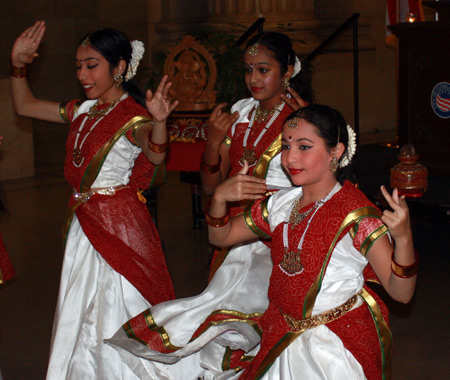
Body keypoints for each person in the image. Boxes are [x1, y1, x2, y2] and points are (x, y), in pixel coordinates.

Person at [107, 104, 416, 380]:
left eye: (304, 146)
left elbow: (401, 293)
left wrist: (403, 238)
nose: (290, 158)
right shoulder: (281, 203)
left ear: (336, 151)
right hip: (280, 339)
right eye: (286, 145)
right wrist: (220, 198)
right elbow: (221, 236)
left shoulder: (357, 214)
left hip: (333, 349)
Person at [10, 21, 176, 379]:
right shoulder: (83, 111)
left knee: (116, 303)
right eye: (78, 65)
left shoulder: (134, 117)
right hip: (83, 226)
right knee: (80, 308)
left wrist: (160, 121)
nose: (82, 74)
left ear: (119, 68)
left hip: (119, 226)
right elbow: (24, 106)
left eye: (92, 65)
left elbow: (155, 151)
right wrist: (18, 66)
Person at [202, 31, 313, 279]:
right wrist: (212, 143)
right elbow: (210, 188)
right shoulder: (240, 112)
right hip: (234, 228)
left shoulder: (301, 117)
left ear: (287, 72)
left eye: (263, 70)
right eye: (248, 69)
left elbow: (321, 183)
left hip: (278, 229)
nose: (253, 79)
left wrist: (312, 129)